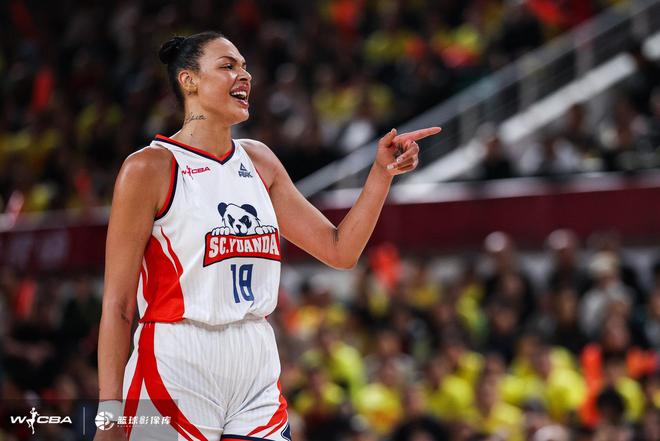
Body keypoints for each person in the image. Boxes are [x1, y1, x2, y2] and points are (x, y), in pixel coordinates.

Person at [95, 31, 440, 441]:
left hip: (255, 353)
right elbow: (118, 304)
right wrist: (109, 412)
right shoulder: (150, 168)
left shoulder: (259, 160)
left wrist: (381, 174)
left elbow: (340, 250)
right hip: (177, 357)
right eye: (227, 66)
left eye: (244, 66)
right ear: (189, 80)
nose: (244, 75)